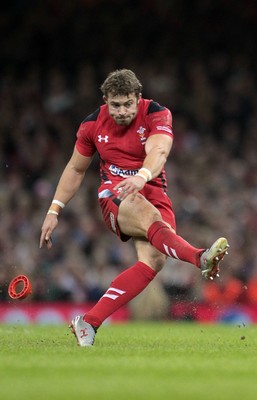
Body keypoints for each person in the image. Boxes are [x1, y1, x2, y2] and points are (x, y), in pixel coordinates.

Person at [40, 69, 229, 346]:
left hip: (151, 188)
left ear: (138, 98)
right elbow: (75, 169)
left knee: (153, 261)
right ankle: (200, 258)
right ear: (106, 101)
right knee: (147, 214)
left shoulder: (156, 113)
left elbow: (159, 151)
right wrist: (53, 211)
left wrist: (141, 176)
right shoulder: (92, 125)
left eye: (128, 103)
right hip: (114, 194)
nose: (122, 111)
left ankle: (88, 323)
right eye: (115, 105)